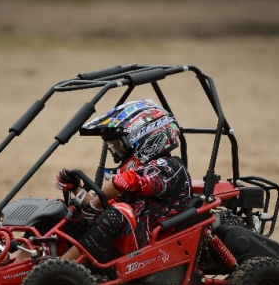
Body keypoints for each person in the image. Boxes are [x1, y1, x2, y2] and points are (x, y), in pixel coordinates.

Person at [55, 100, 192, 263]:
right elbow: (101, 208)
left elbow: (121, 182)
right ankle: (32, 263)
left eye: (119, 147)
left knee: (120, 214)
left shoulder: (169, 166)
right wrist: (76, 189)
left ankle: (59, 267)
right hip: (131, 246)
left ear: (147, 139)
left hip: (156, 253)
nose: (116, 156)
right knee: (58, 209)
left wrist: (95, 205)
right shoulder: (141, 174)